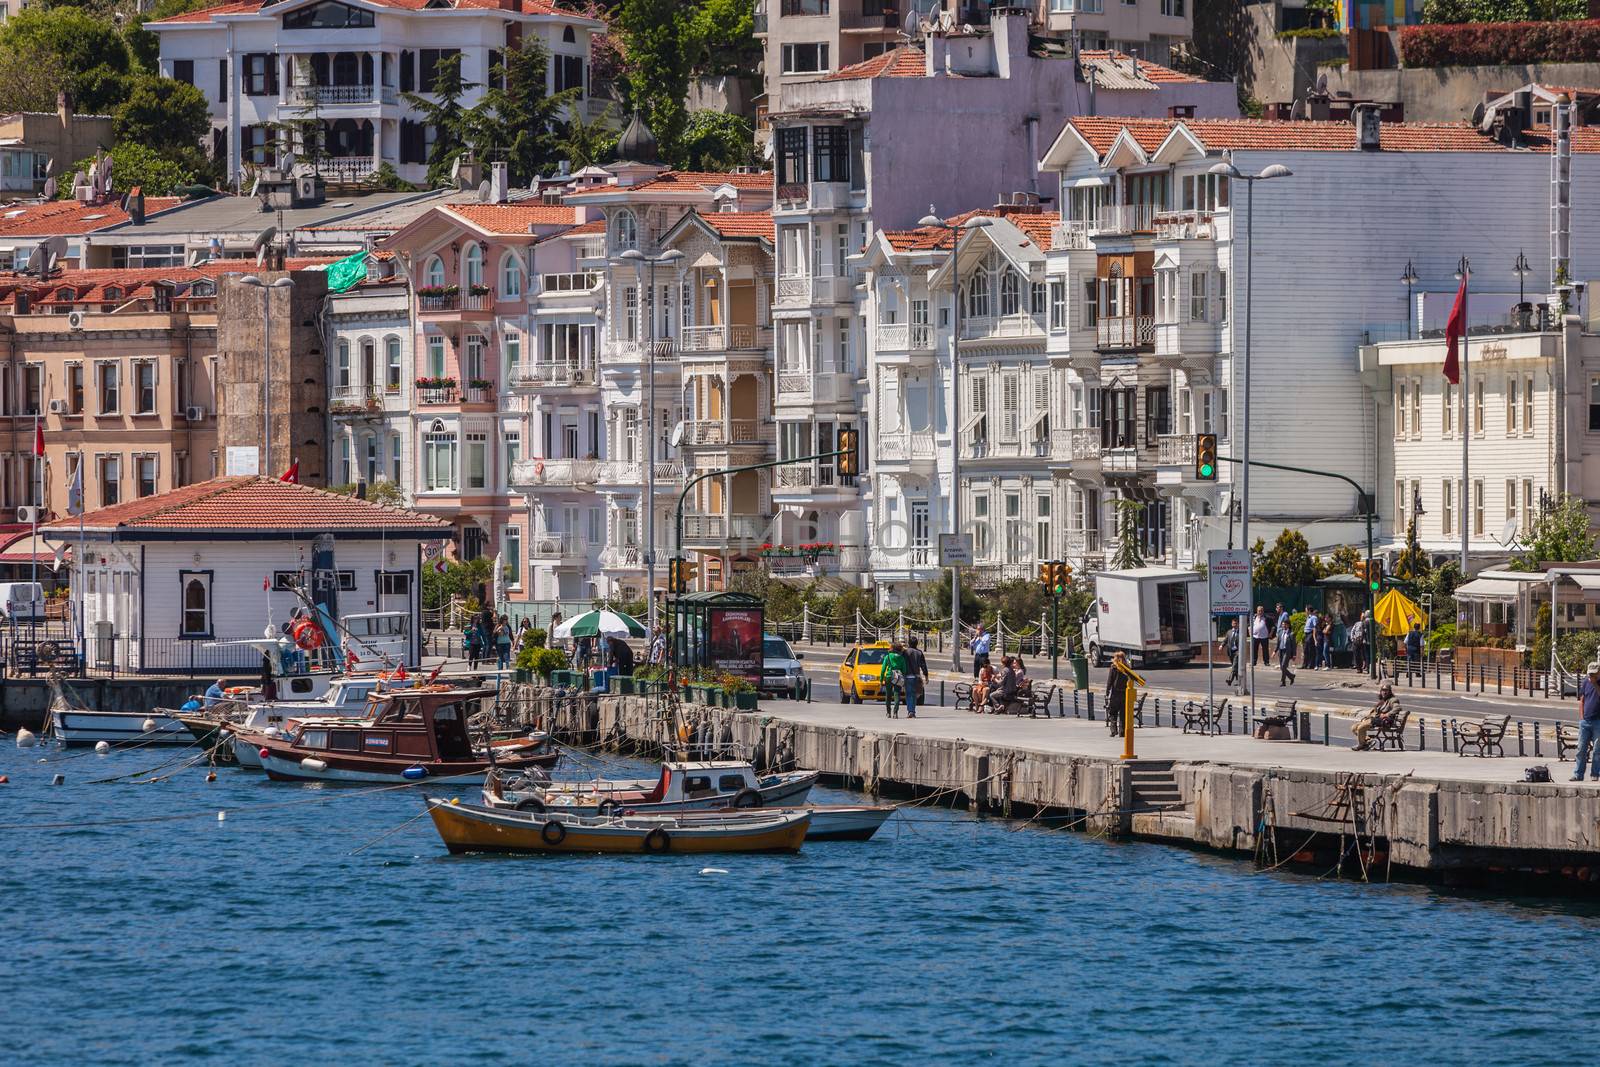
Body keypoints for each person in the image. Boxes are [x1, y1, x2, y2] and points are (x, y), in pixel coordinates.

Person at [1352, 683, 1402, 750]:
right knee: (1354, 727)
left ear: (1389, 691)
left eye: (1386, 690)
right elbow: (1375, 712)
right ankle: (1367, 740)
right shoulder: (1382, 701)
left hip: (1384, 721)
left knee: (1361, 727)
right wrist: (1368, 717)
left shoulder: (1393, 700)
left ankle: (1361, 745)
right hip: (1376, 719)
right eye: (1383, 690)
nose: (1384, 692)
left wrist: (1387, 714)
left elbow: (1397, 708)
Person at [1573, 661, 1600, 781]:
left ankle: (1595, 773)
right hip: (1585, 721)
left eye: (1594, 674)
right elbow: (1582, 700)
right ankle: (1578, 774)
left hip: (1598, 721)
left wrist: (1595, 685)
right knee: (1581, 749)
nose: (1592, 677)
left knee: (1597, 750)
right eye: (1590, 674)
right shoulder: (1585, 682)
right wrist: (1582, 717)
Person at [881, 640, 909, 719]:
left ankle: (888, 712)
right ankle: (895, 713)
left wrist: (881, 680)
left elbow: (883, 669)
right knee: (897, 695)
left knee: (888, 695)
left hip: (889, 677)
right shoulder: (902, 658)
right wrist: (903, 679)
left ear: (892, 648)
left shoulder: (888, 657)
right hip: (898, 677)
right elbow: (904, 670)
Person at [1105, 651, 1130, 736]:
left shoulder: (1113, 667)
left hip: (1115, 694)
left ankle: (1113, 731)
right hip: (1124, 694)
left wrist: (1107, 692)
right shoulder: (1127, 668)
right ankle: (1122, 732)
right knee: (1123, 714)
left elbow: (1110, 681)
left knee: (1113, 713)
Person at [905, 636, 929, 715]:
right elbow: (923, 665)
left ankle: (910, 710)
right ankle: (913, 710)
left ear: (909, 643)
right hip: (917, 676)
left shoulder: (905, 652)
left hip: (908, 676)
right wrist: (926, 677)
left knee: (908, 694)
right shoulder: (919, 653)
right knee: (915, 694)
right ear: (917, 643)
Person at [1276, 617, 1296, 687]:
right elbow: (1278, 642)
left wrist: (1294, 654)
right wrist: (1275, 651)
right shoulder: (1280, 632)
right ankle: (1290, 677)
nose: (1283, 626)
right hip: (1281, 650)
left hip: (1287, 651)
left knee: (1284, 666)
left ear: (1288, 625)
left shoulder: (1291, 634)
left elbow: (1294, 645)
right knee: (1282, 667)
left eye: (1285, 625)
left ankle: (1283, 681)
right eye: (1283, 624)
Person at [1224, 619, 1241, 686]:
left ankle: (1230, 680)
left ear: (1238, 624)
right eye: (1234, 623)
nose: (1235, 625)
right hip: (1230, 652)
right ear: (1232, 624)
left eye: (1236, 623)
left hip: (1237, 652)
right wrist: (1221, 645)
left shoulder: (1241, 632)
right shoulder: (1229, 632)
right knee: (1236, 667)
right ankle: (1237, 681)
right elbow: (1225, 640)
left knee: (1234, 666)